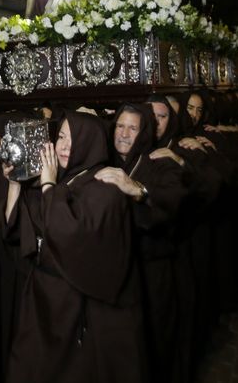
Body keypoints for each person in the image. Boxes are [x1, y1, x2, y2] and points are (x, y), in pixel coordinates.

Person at [0, 111, 146, 383]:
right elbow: (14, 231)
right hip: (42, 299)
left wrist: (48, 185)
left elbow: (67, 233)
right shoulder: (59, 180)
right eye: (61, 137)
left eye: (73, 139)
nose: (64, 146)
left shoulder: (103, 187)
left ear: (90, 143)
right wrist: (14, 183)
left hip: (74, 306)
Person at [96, 103, 185, 382]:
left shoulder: (160, 163)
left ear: (144, 132)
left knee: (154, 343)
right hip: (114, 276)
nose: (123, 134)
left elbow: (175, 199)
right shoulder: (101, 161)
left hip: (151, 272)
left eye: (132, 128)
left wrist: (137, 189)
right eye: (120, 126)